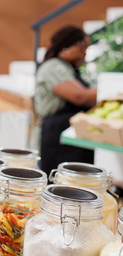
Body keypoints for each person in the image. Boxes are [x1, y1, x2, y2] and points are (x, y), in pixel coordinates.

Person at [31, 25, 97, 176]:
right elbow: (80, 96)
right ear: (66, 46)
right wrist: (111, 92)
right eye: (81, 48)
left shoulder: (70, 68)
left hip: (68, 140)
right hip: (54, 139)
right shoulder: (53, 66)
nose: (84, 53)